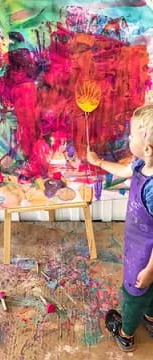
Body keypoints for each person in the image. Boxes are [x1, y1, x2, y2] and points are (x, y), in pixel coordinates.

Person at [87, 104, 153, 352]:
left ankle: (125, 333)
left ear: (147, 148)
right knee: (149, 292)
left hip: (147, 256)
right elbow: (124, 170)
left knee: (135, 294)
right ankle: (151, 318)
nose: (128, 138)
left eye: (132, 135)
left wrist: (148, 269)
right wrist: (98, 161)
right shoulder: (141, 165)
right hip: (139, 246)